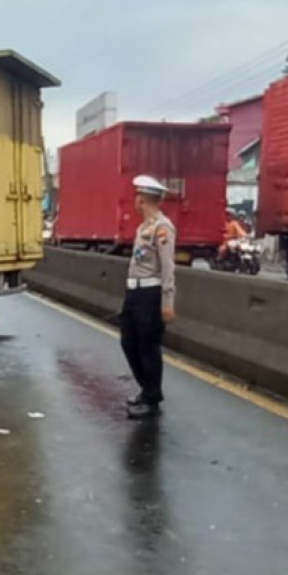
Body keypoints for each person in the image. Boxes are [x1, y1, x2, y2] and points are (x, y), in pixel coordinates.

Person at [120, 175, 177, 420]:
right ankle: (147, 389)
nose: (135, 201)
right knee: (128, 343)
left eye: (137, 197)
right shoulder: (142, 228)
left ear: (143, 200)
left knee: (148, 347)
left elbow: (167, 267)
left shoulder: (162, 228)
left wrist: (167, 302)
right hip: (134, 292)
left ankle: (152, 398)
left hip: (151, 294)